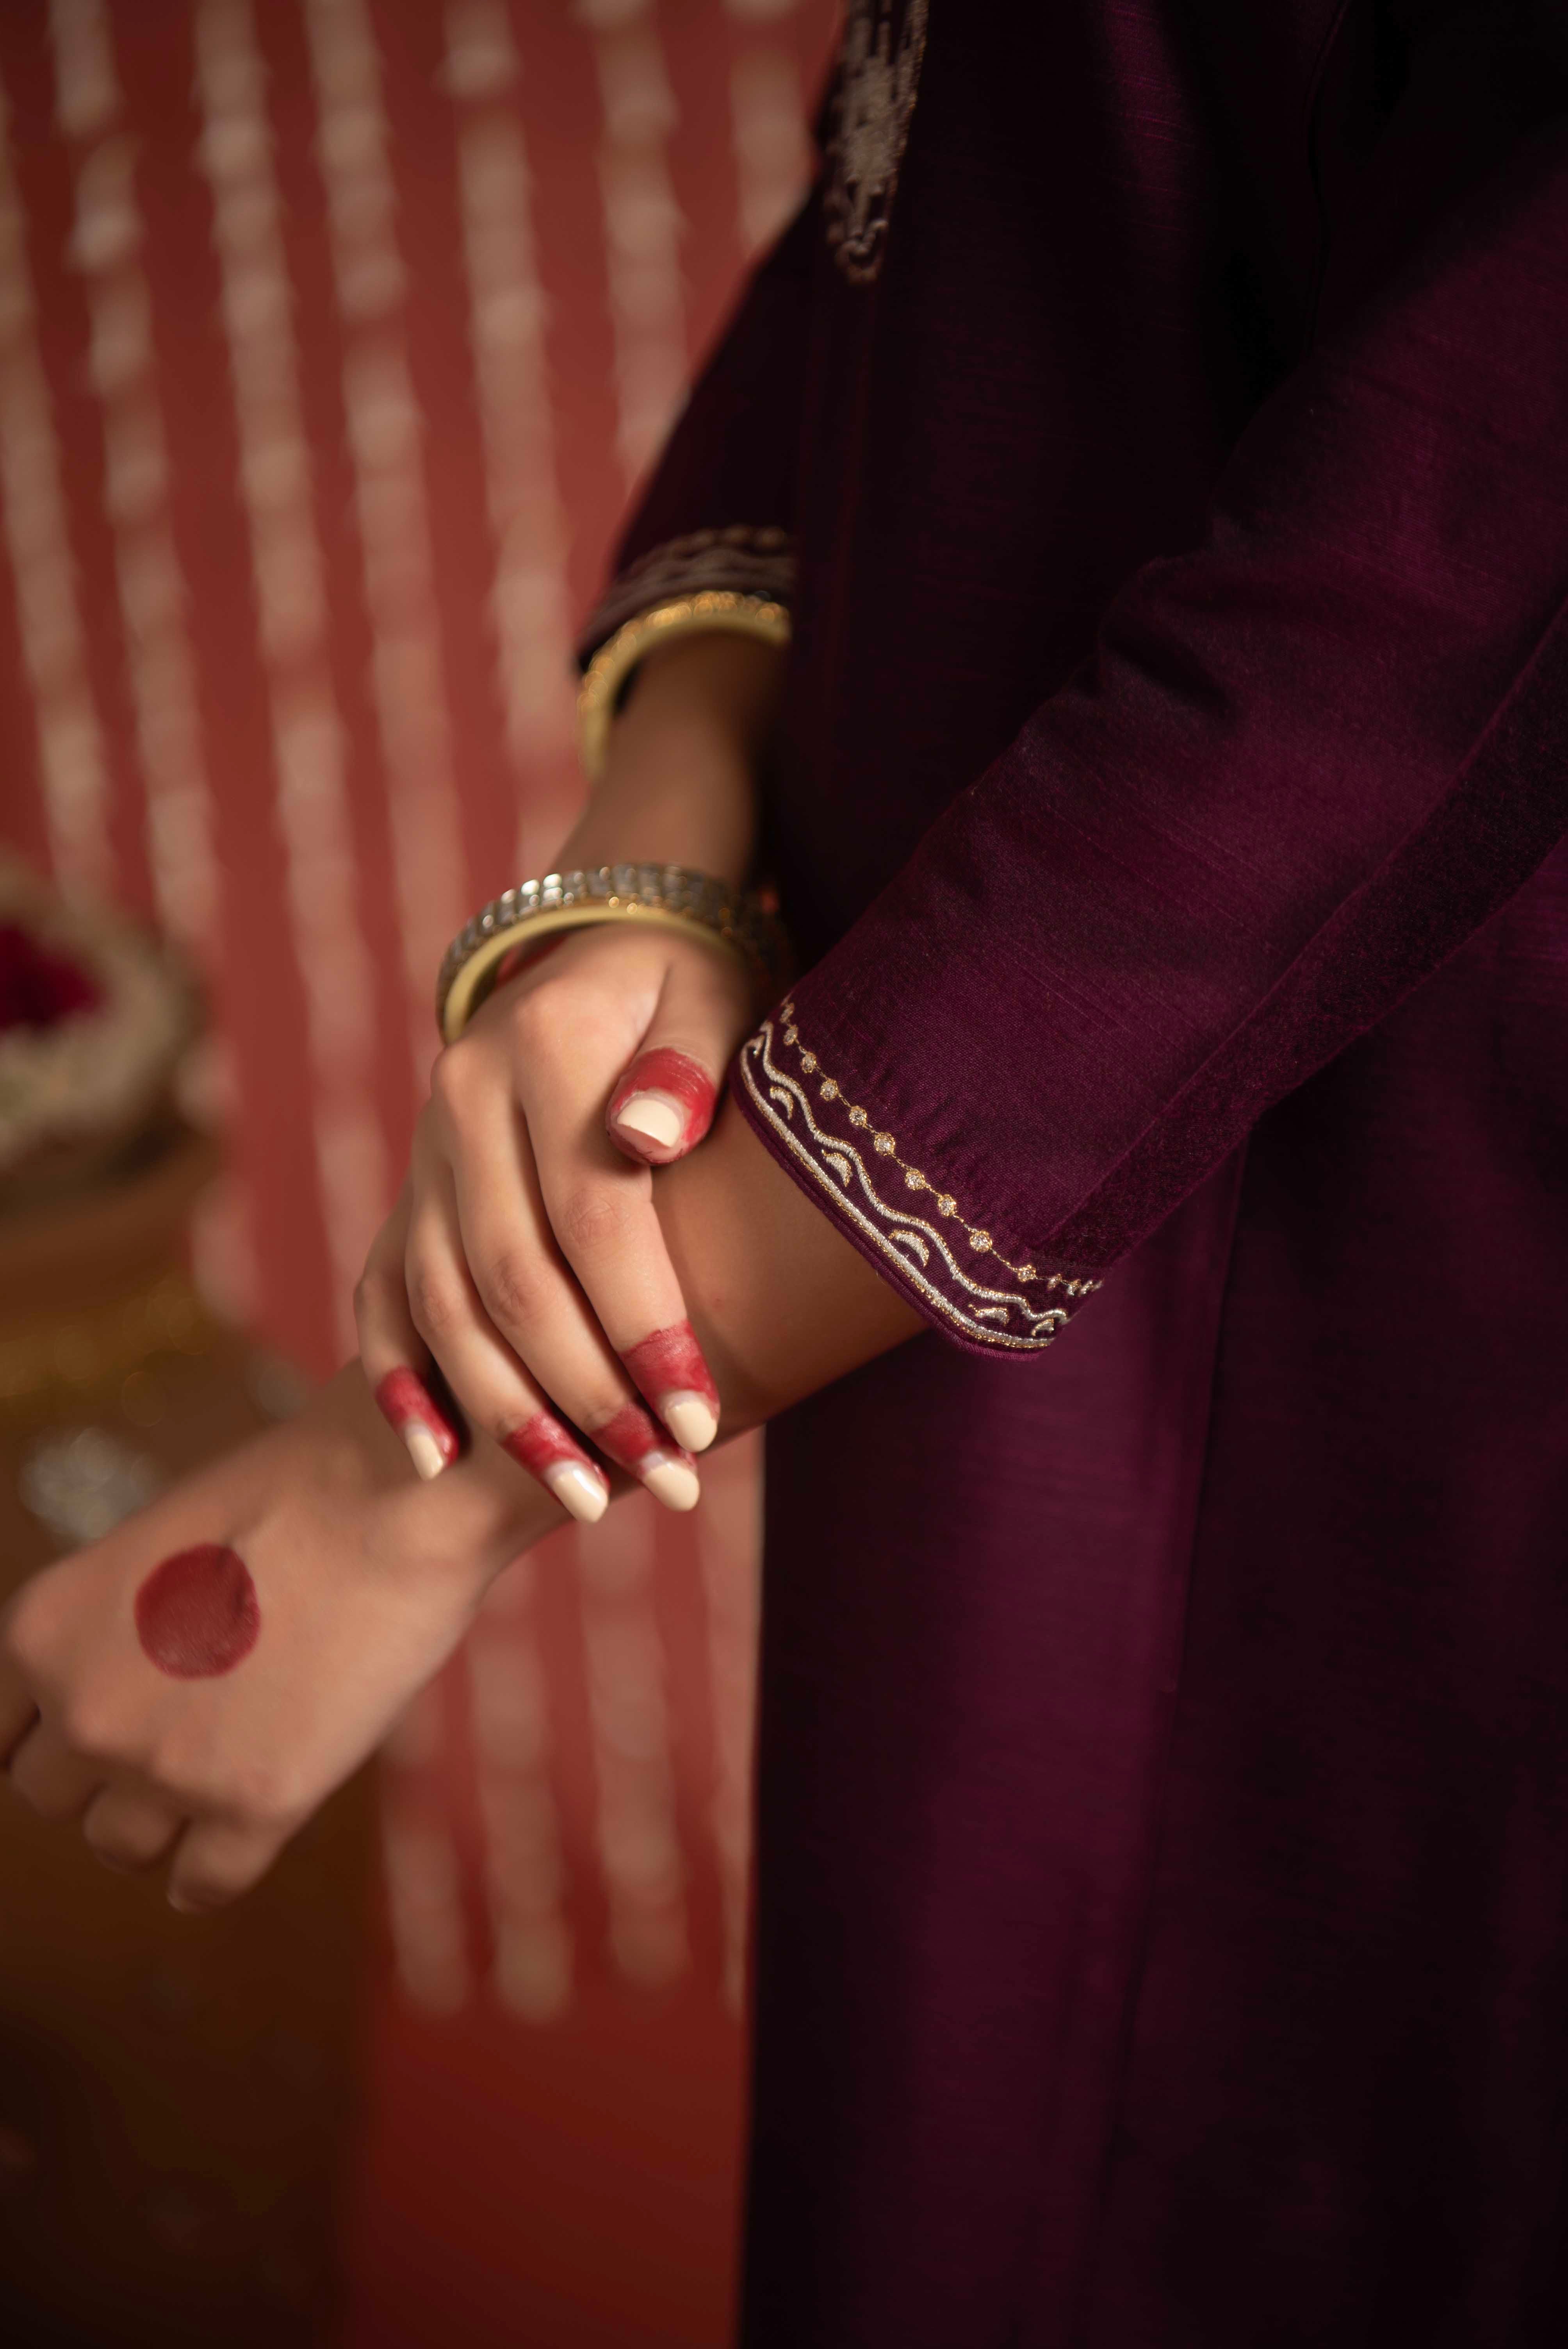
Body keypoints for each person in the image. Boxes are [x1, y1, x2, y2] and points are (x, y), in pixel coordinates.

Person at [7, 0, 1568, 2335]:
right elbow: (907, 234)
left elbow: (1434, 588)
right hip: (910, 1178)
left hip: (1327, 1232)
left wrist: (397, 1489)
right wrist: (651, 861)